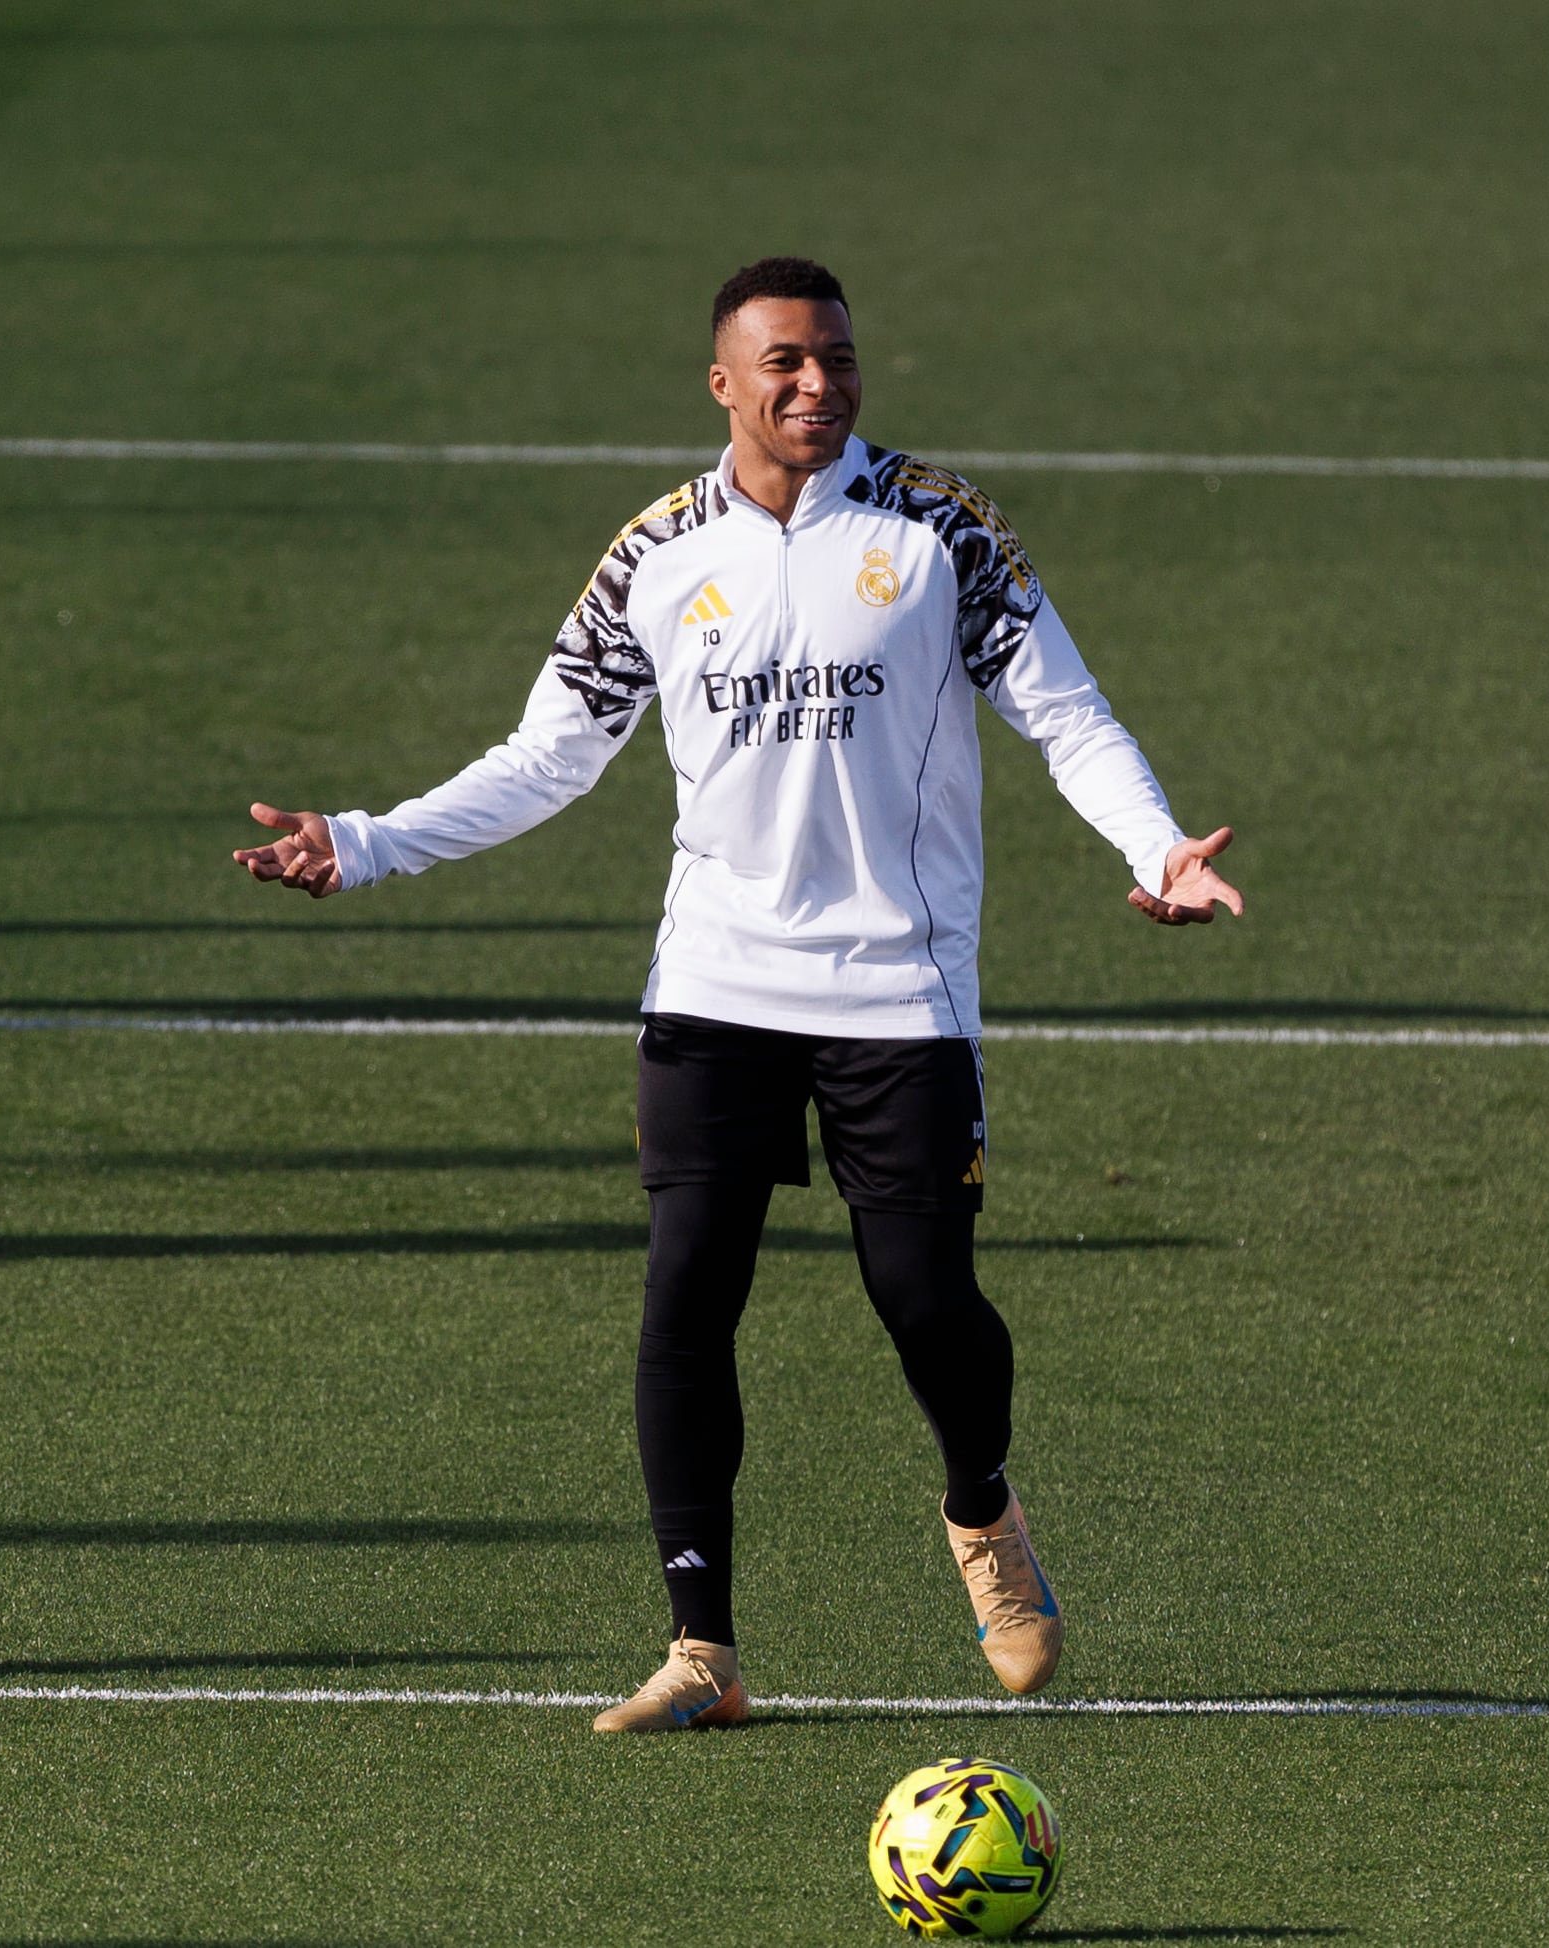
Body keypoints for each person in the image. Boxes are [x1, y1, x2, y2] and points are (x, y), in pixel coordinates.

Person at [232, 256, 1241, 1732]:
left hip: (898, 985)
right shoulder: (657, 551)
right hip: (716, 979)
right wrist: (368, 843)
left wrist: (1157, 848)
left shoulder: (939, 526)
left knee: (924, 1298)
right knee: (688, 1291)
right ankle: (701, 1647)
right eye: (785, 363)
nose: (818, 385)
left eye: (837, 359)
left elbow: (1063, 712)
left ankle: (982, 1512)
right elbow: (550, 753)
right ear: (723, 383)